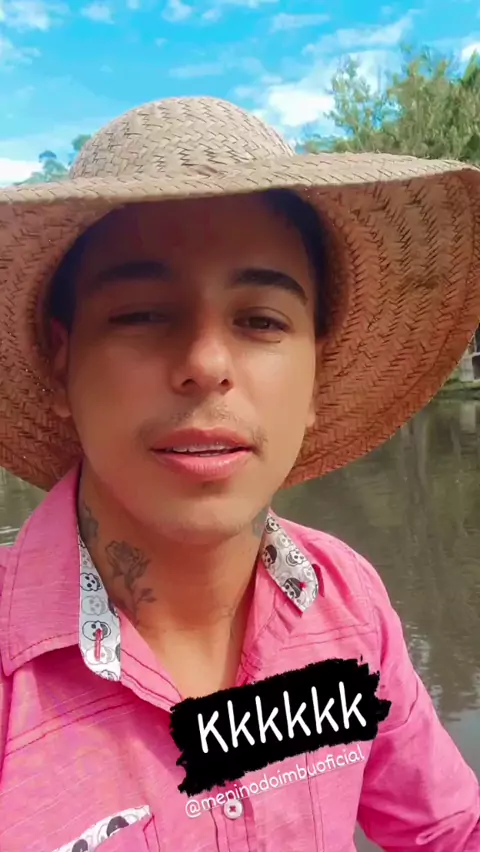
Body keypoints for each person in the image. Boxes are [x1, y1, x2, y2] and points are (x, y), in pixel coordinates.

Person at [0, 96, 478, 852]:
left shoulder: (348, 606)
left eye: (261, 320)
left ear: (316, 377)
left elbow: (450, 830)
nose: (206, 364)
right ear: (62, 363)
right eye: (142, 314)